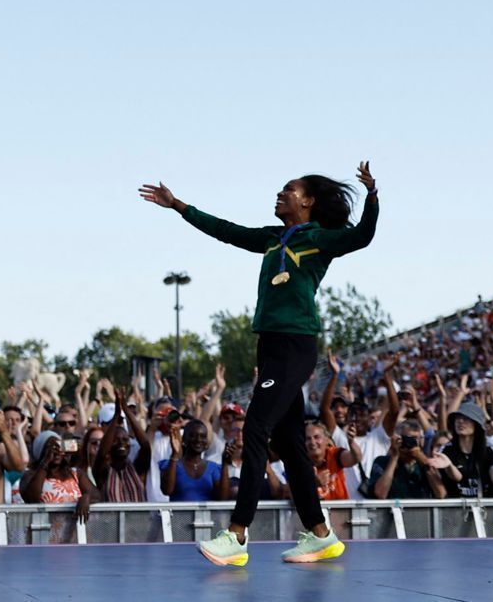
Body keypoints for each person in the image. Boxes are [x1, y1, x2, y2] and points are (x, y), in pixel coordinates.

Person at [142, 162, 380, 567]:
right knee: (289, 444)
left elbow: (362, 236)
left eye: (288, 189)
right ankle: (320, 535)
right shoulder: (273, 238)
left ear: (307, 201)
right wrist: (179, 206)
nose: (280, 194)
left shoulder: (319, 238)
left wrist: (372, 196)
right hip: (269, 345)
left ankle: (236, 535)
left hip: (294, 344)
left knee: (255, 427)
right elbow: (228, 232)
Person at [160, 419, 223, 502]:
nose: (198, 440)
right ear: (184, 440)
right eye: (193, 435)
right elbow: (167, 490)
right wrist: (175, 453)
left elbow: (222, 498)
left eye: (203, 436)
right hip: (179, 515)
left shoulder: (214, 468)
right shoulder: (172, 464)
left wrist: (225, 464)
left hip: (206, 515)